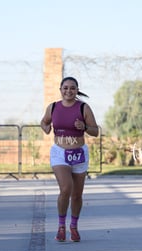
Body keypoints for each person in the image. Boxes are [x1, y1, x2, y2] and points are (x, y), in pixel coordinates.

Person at [40, 76, 99, 242]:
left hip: (79, 153)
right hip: (59, 152)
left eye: (72, 88)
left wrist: (85, 127)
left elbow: (95, 131)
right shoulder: (53, 107)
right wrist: (46, 127)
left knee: (77, 195)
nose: (68, 91)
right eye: (65, 88)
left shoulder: (84, 108)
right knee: (66, 187)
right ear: (60, 90)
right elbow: (43, 122)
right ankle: (61, 227)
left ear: (77, 90)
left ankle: (73, 226)